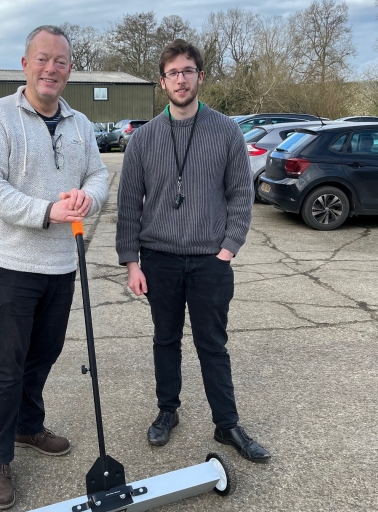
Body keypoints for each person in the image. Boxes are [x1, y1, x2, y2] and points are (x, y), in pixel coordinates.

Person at [0, 25, 109, 509]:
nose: (51, 69)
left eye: (61, 62)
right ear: (25, 64)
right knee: (5, 367)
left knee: (44, 354)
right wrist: (47, 210)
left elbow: (97, 172)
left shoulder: (80, 124)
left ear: (70, 70)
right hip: (7, 263)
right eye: (42, 59)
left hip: (59, 264)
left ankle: (28, 427)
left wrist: (87, 197)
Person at [116, 39, 270, 463]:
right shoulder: (143, 139)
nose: (180, 79)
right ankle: (168, 411)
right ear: (162, 82)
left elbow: (242, 194)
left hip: (210, 261)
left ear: (200, 77)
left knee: (213, 344)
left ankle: (227, 424)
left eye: (187, 71)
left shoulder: (225, 131)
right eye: (172, 73)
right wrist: (132, 263)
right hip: (159, 259)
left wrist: (228, 249)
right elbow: (129, 205)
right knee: (165, 340)